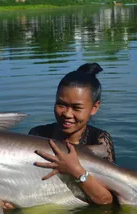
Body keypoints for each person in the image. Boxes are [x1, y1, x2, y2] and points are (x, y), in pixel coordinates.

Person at [30, 63, 116, 205]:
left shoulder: (100, 141)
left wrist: (75, 171)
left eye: (76, 108)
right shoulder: (38, 134)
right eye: (61, 104)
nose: (67, 114)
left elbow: (108, 200)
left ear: (94, 107)